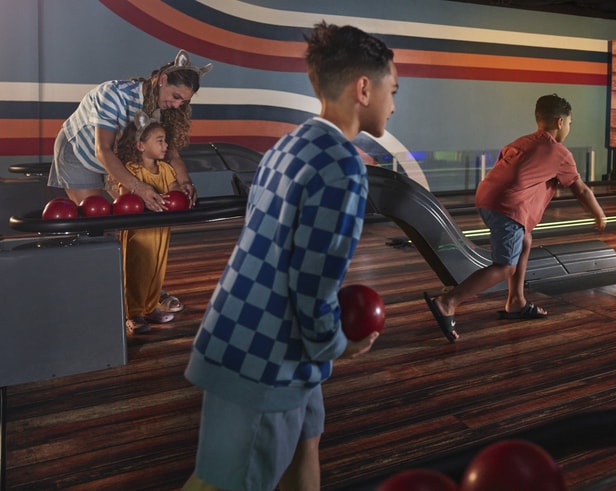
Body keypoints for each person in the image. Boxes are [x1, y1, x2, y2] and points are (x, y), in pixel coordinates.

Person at [182, 22, 395, 491]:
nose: (394, 103)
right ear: (364, 88)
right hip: (266, 355)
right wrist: (338, 343)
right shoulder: (343, 166)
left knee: (306, 443)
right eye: (392, 90)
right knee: (224, 483)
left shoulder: (288, 145)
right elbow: (312, 283)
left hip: (240, 330)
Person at [424, 94, 608, 343]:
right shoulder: (559, 153)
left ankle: (516, 301)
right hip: (507, 207)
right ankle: (448, 302)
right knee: (504, 266)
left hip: (486, 198)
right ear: (560, 121)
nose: (569, 128)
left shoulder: (522, 142)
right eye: (570, 123)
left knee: (525, 240)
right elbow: (582, 190)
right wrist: (599, 213)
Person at [49, 48, 210, 314]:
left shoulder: (161, 108)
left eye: (185, 101)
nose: (178, 104)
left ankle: (144, 296)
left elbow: (171, 153)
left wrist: (184, 181)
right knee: (104, 228)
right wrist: (137, 186)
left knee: (140, 225)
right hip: (80, 152)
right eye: (176, 96)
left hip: (121, 153)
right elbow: (103, 150)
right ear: (162, 81)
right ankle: (114, 305)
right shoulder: (113, 94)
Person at [115, 111, 180, 334]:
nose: (165, 145)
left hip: (161, 231)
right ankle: (133, 314)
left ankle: (151, 307)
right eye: (159, 141)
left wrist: (179, 194)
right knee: (136, 271)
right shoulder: (131, 171)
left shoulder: (166, 169)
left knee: (156, 269)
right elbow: (124, 197)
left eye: (165, 140)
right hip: (139, 233)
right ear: (141, 146)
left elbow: (174, 192)